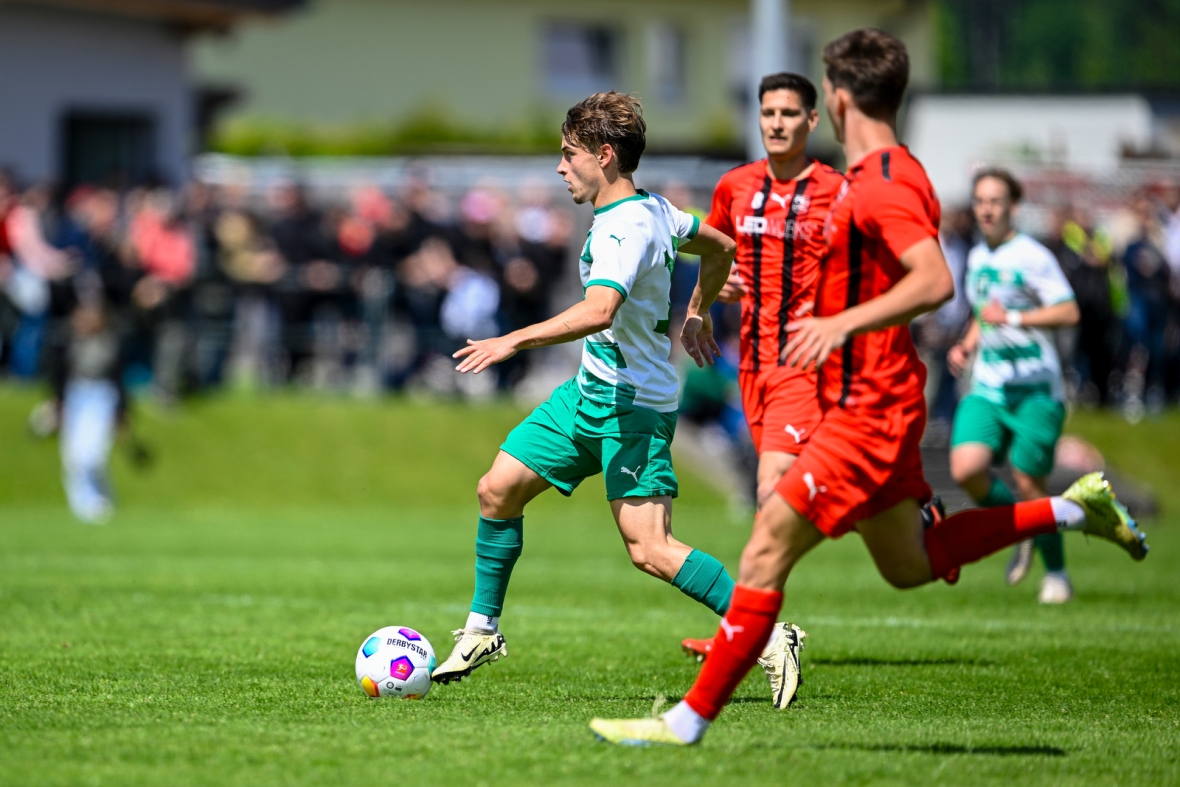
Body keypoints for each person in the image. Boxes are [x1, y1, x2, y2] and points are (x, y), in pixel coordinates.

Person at [589, 28, 1149, 747]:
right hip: (866, 394)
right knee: (910, 563)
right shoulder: (895, 171)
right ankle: (1071, 511)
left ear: (839, 102)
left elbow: (934, 280)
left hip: (867, 409)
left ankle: (685, 722)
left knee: (765, 546)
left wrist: (838, 323)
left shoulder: (880, 183)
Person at [429, 92, 742, 685]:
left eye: (569, 154)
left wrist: (511, 341)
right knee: (497, 489)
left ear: (603, 156)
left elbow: (599, 310)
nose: (559, 167)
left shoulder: (626, 226)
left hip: (632, 407)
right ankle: (481, 632)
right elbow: (722, 246)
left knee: (650, 549)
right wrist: (696, 311)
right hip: (588, 392)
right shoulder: (655, 209)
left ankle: (762, 630)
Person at [677, 71, 848, 708]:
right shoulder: (735, 187)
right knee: (787, 498)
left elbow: (864, 271)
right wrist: (699, 307)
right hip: (755, 368)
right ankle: (892, 502)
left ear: (812, 122)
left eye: (788, 112)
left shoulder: (836, 191)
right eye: (767, 111)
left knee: (771, 489)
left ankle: (753, 632)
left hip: (809, 365)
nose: (775, 122)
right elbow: (716, 258)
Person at [947, 168, 1080, 604]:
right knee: (966, 468)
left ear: (1013, 207)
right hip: (988, 383)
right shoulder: (977, 256)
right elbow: (984, 314)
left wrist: (1018, 319)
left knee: (1030, 485)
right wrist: (965, 345)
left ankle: (1057, 575)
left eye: (995, 201)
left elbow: (1068, 312)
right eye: (980, 200)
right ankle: (1019, 528)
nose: (986, 209)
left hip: (1036, 389)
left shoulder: (1032, 255)